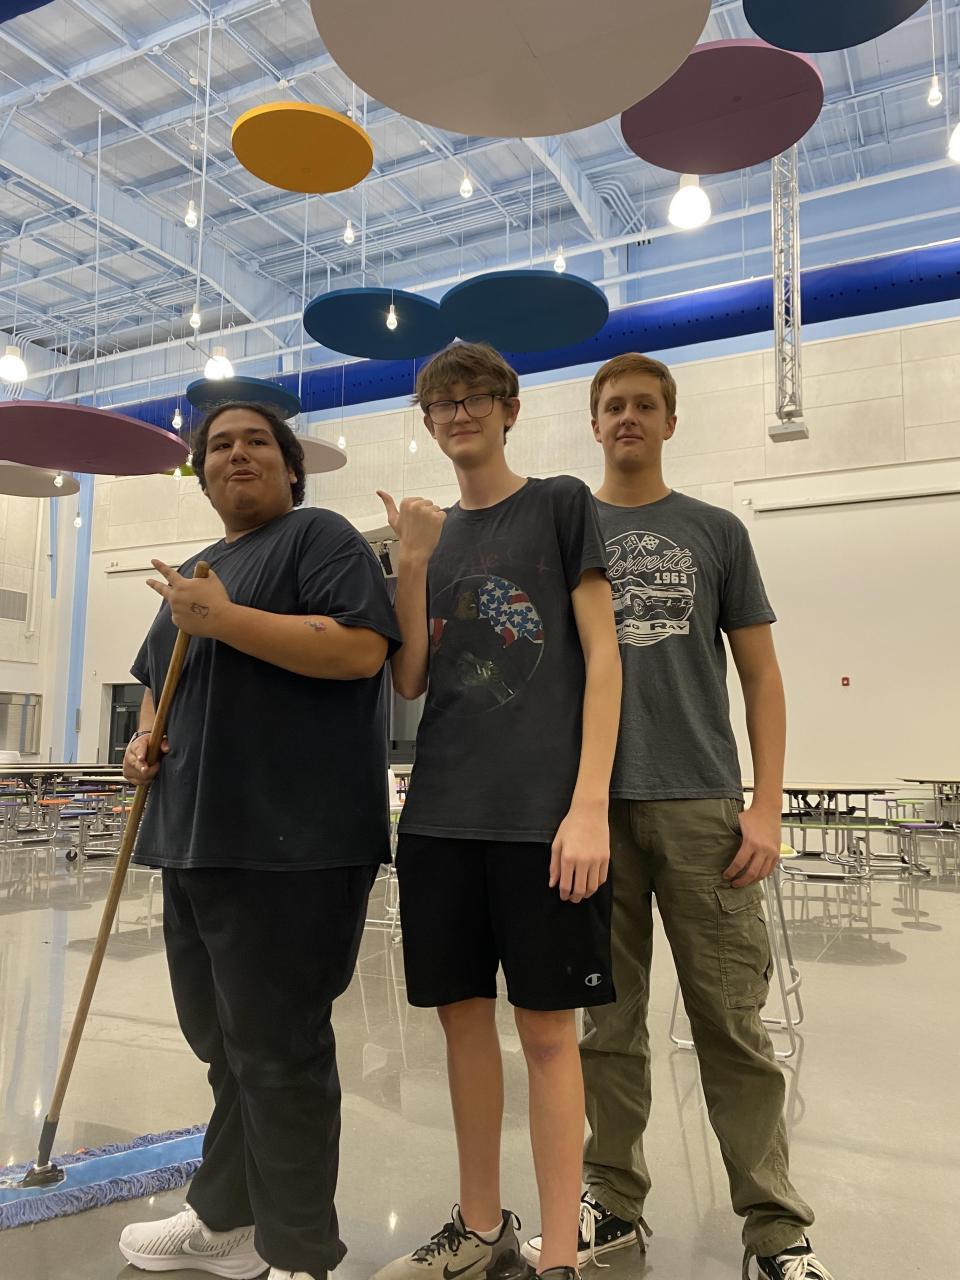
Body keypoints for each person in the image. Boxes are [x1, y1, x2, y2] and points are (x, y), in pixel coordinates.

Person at [519, 354, 835, 1280]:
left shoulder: (716, 531)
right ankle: (614, 1201)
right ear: (593, 424)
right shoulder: (564, 535)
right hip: (592, 816)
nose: (628, 417)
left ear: (670, 421)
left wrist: (766, 805)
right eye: (613, 405)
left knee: (732, 1026)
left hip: (703, 809)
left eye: (645, 405)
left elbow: (762, 677)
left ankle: (776, 1230)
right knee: (606, 1028)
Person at [117, 402, 400, 1280]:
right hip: (196, 839)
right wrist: (142, 740)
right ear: (202, 474)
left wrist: (225, 618)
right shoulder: (200, 569)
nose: (236, 454)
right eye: (219, 446)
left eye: (256, 442)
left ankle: (300, 1254)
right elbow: (160, 691)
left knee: (278, 1052)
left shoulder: (320, 539)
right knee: (225, 1047)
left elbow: (361, 650)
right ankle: (227, 1217)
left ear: (290, 467)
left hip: (294, 843)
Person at [373, 342, 622, 1280]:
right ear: (428, 422)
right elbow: (410, 677)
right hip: (440, 816)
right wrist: (409, 563)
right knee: (461, 1024)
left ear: (509, 408)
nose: (459, 413)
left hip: (541, 822)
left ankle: (559, 1257)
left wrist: (588, 806)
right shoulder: (427, 535)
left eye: (475, 396)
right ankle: (482, 1230)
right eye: (441, 404)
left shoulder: (559, 504)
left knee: (549, 1033)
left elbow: (605, 657)